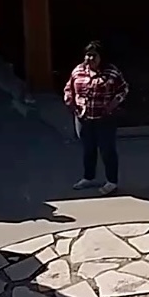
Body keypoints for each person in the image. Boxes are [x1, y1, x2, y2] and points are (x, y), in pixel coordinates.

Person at [63, 40, 129, 196]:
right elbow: (69, 87)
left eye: (94, 56)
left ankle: (112, 181)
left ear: (101, 57)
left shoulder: (112, 72)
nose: (89, 59)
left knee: (107, 150)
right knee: (88, 148)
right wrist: (69, 100)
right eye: (87, 55)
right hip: (83, 117)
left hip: (104, 117)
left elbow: (124, 88)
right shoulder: (78, 71)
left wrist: (115, 102)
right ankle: (88, 177)